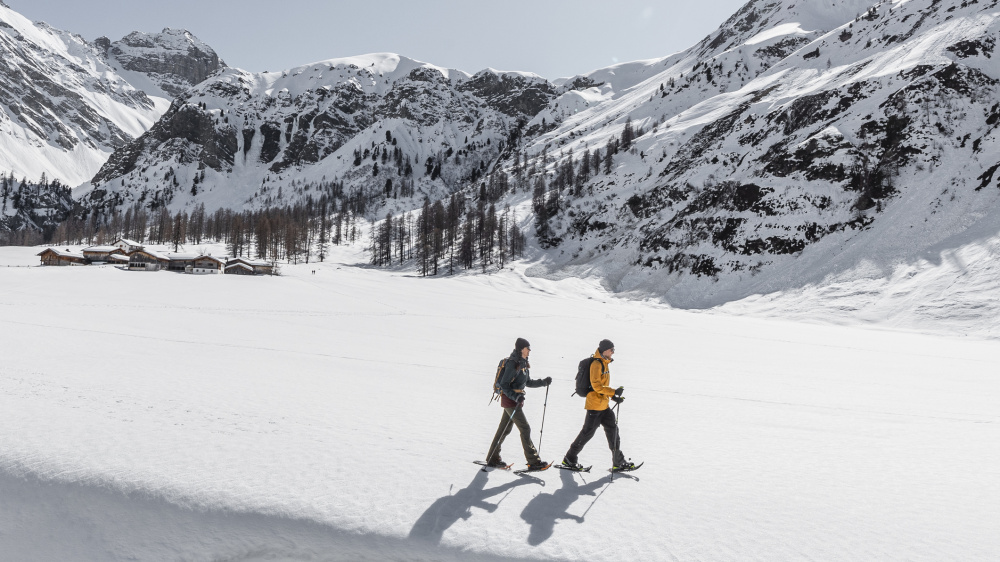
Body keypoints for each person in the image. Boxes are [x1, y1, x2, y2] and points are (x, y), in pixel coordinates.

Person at [561, 339, 636, 470]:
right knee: (587, 434)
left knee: (613, 431)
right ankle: (569, 458)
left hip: (604, 406)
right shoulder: (596, 364)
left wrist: (613, 397)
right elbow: (596, 386)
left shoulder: (605, 363)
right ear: (605, 350)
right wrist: (613, 391)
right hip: (594, 406)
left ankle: (618, 461)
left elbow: (603, 386)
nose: (613, 352)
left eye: (613, 350)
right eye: (611, 350)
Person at [485, 338, 552, 469]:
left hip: (514, 401)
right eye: (527, 348)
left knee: (503, 430)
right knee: (525, 428)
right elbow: (504, 385)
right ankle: (533, 461)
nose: (529, 351)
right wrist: (516, 397)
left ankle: (492, 458)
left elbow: (528, 382)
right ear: (521, 349)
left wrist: (544, 382)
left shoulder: (524, 363)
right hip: (510, 401)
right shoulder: (512, 363)